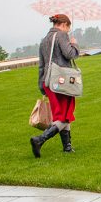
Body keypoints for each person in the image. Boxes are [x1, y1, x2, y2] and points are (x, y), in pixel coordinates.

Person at [31, 14, 81, 158]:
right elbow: (70, 54)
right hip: (62, 81)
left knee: (62, 114)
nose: (68, 31)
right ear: (64, 24)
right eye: (68, 28)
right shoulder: (62, 35)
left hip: (48, 81)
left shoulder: (44, 40)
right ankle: (39, 140)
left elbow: (41, 65)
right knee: (65, 115)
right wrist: (74, 44)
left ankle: (67, 147)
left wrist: (42, 85)